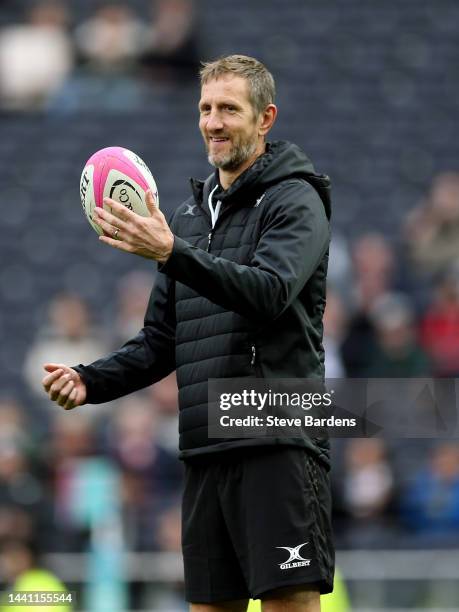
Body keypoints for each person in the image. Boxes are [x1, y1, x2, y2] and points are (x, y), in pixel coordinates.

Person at [42, 55, 333, 612]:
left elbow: (270, 291)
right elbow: (159, 342)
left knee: (287, 604)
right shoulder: (187, 217)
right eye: (205, 108)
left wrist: (174, 253)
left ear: (265, 118)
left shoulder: (296, 199)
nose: (214, 122)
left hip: (275, 438)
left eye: (229, 108)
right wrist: (88, 379)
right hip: (204, 446)